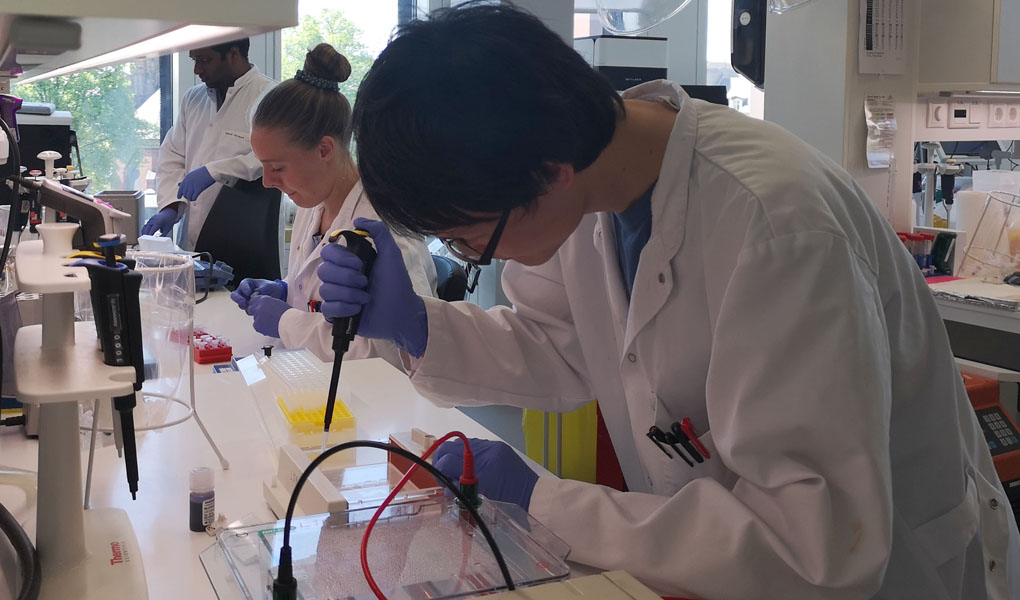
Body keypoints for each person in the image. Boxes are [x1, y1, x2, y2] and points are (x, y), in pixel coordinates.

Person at [315, 4, 1020, 599]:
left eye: (470, 240)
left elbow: (812, 546)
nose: (479, 258)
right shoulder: (587, 192)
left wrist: (545, 500)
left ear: (550, 174)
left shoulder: (777, 227)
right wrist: (419, 325)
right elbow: (561, 346)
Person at [230, 43, 436, 366]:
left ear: (324, 150)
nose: (267, 182)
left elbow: (399, 356)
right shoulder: (313, 204)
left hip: (370, 394)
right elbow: (319, 304)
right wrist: (286, 291)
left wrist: (286, 322)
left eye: (278, 167)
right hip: (310, 378)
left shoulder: (387, 229)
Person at [142, 38, 276, 250]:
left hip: (246, 235)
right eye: (194, 60)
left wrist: (214, 171)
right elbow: (173, 155)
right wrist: (171, 207)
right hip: (191, 235)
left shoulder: (270, 96)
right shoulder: (193, 98)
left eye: (204, 60)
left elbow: (272, 159)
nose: (197, 69)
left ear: (233, 53)